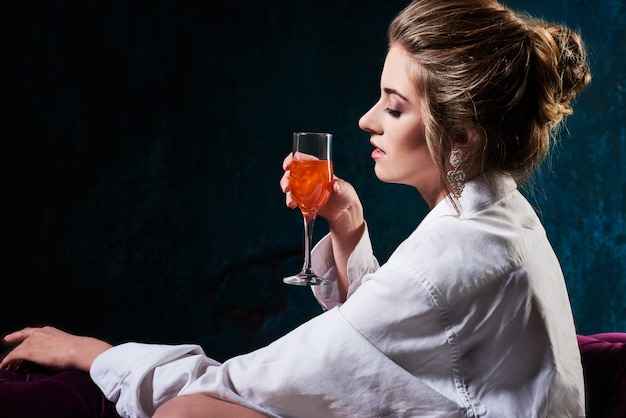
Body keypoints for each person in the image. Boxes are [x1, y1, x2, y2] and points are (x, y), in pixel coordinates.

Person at [0, 0, 592, 416]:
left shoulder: (454, 254)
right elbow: (397, 338)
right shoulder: (496, 216)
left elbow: (252, 379)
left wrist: (96, 355)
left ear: (459, 136)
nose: (366, 120)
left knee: (187, 414)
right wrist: (349, 224)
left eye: (393, 107)